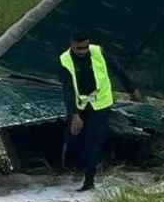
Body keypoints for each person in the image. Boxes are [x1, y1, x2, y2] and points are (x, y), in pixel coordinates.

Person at [58, 32, 142, 192]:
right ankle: (73, 167)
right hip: (80, 105)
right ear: (72, 45)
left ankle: (89, 180)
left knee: (93, 141)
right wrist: (74, 114)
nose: (83, 51)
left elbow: (118, 69)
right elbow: (67, 90)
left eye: (85, 47)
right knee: (73, 138)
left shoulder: (98, 52)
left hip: (100, 104)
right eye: (79, 48)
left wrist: (131, 90)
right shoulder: (65, 61)